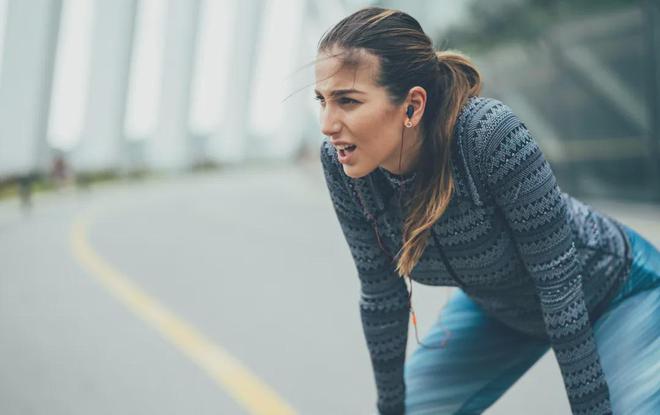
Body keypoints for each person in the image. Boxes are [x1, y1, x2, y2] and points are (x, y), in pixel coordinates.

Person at [315, 7, 659, 415]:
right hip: (499, 307)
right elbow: (382, 296)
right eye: (322, 100)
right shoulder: (344, 168)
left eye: (347, 101)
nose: (327, 123)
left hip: (614, 291)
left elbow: (558, 287)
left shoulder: (487, 135)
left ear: (412, 106)